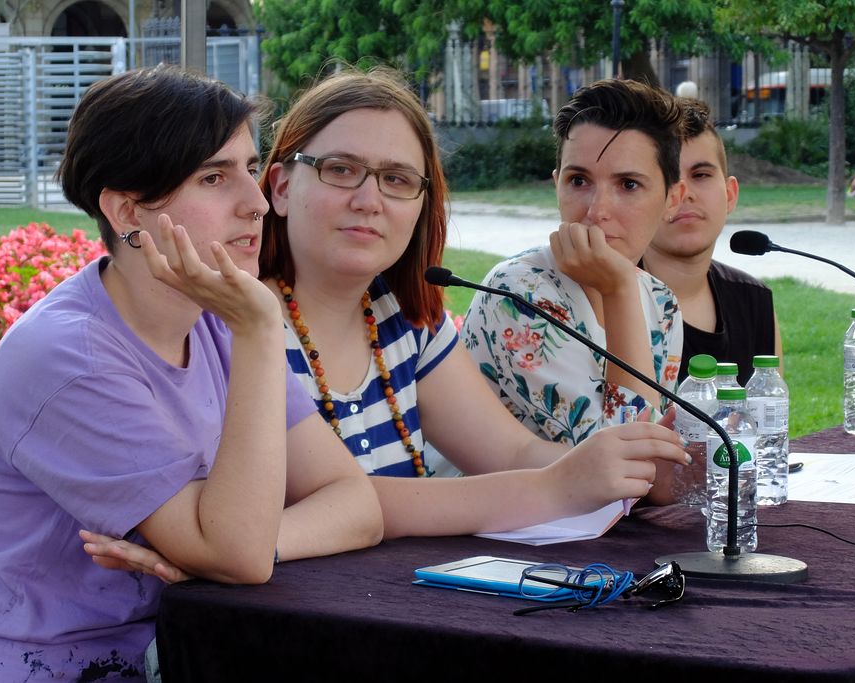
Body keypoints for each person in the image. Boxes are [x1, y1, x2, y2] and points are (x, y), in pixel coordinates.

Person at [82, 68, 690, 584]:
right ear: (282, 187)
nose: (370, 200)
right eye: (342, 169)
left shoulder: (404, 321)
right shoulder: (236, 324)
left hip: (401, 603)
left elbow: (508, 453)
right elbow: (324, 503)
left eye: (398, 180)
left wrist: (609, 466)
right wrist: (560, 485)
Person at [0, 65, 384, 682]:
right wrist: (262, 329)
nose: (257, 202)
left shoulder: (212, 325)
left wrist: (241, 547)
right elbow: (237, 554)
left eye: (250, 168)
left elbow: (354, 503)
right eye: (214, 177)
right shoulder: (71, 358)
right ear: (127, 210)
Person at [460, 79, 684, 445]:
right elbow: (617, 464)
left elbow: (655, 457)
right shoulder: (519, 292)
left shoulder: (661, 302)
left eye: (628, 184)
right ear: (556, 185)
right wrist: (619, 288)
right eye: (578, 180)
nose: (597, 211)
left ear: (673, 199)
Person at [640, 97, 782, 385]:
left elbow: (771, 420)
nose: (685, 193)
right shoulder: (610, 298)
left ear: (730, 194)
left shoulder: (754, 300)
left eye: (701, 175)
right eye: (667, 178)